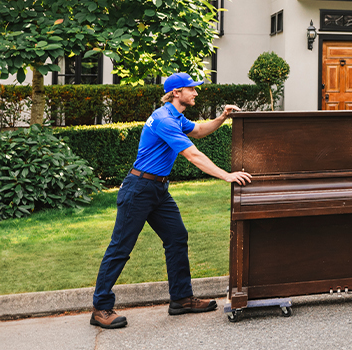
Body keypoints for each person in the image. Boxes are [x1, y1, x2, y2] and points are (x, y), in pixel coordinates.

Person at [90, 72, 252, 329]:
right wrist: (226, 175)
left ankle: (181, 299)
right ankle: (100, 307)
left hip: (158, 189)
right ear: (177, 93)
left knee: (176, 237)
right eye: (191, 89)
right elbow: (192, 155)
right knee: (120, 247)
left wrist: (222, 117)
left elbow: (198, 131)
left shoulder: (175, 116)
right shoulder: (165, 120)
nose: (196, 93)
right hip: (139, 189)